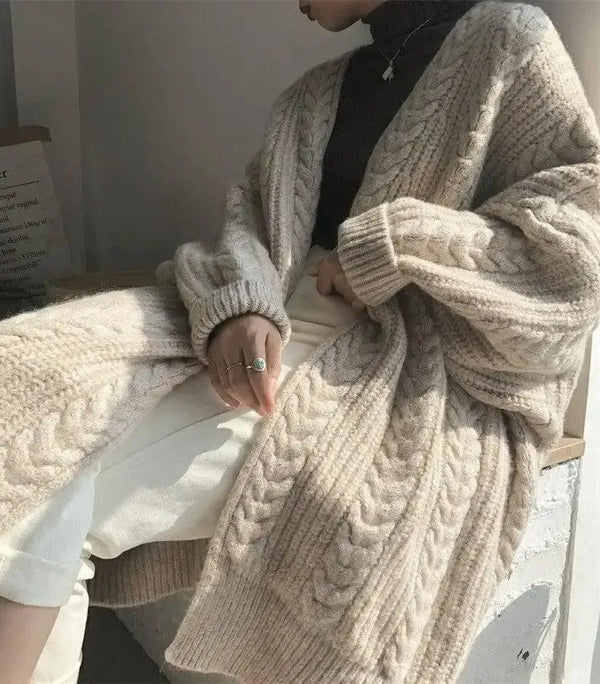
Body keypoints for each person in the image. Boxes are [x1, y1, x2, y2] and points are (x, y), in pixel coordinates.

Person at [1, 0, 599, 682]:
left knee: (38, 489)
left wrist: (397, 246)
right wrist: (237, 306)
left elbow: (575, 253)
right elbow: (250, 223)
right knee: (21, 380)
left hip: (391, 357)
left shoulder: (507, 40)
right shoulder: (317, 93)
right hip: (266, 318)